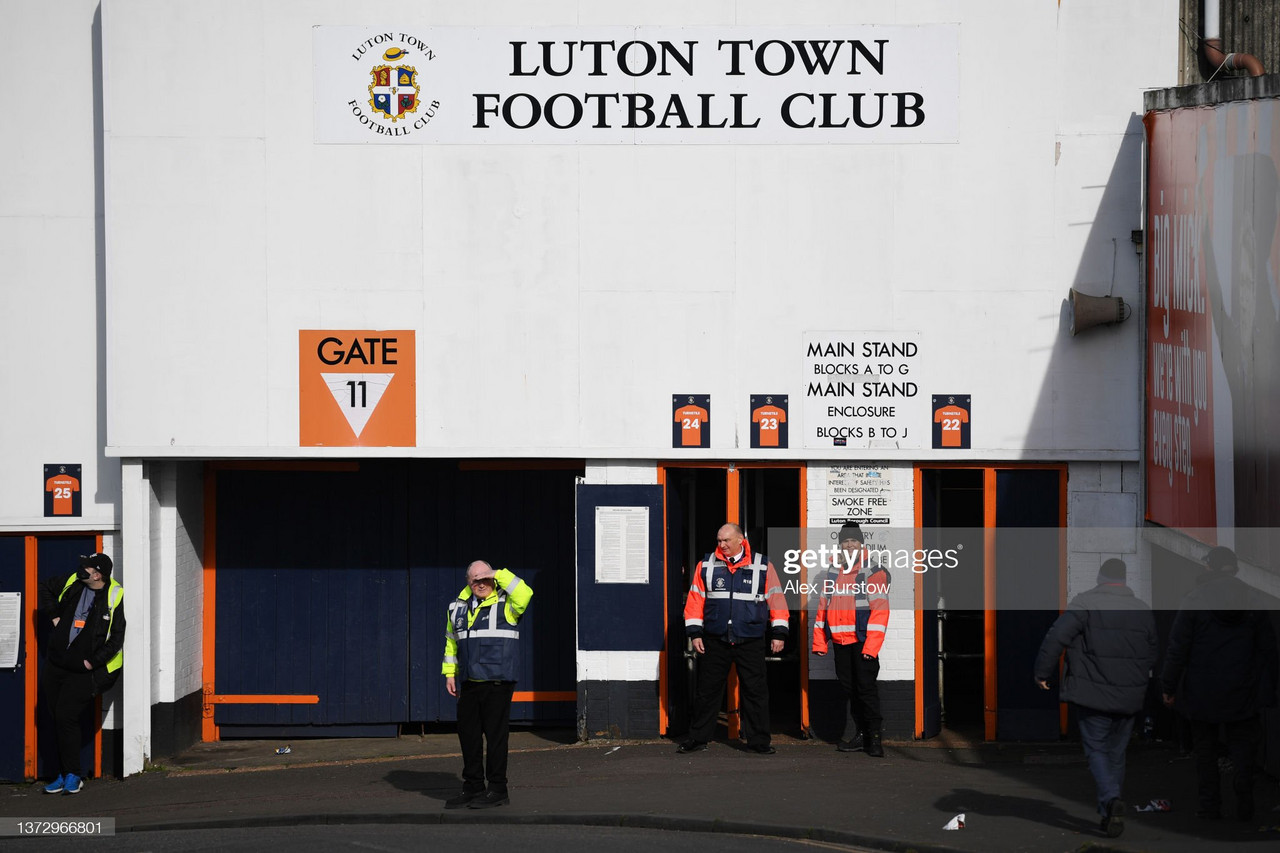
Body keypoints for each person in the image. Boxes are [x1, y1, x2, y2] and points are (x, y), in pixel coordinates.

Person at [1033, 558, 1157, 838]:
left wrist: (1042, 672)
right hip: (1130, 695)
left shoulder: (1084, 603)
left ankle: (1111, 799)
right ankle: (1107, 813)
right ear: (1125, 581)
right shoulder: (1141, 609)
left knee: (1097, 750)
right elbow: (1152, 652)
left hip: (1093, 694)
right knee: (1117, 753)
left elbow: (1056, 637)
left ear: (1100, 578)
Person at [1160, 546, 1278, 822]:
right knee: (1244, 748)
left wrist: (1168, 686)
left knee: (1206, 752)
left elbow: (1178, 648)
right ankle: (1244, 797)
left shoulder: (1194, 599)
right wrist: (1268, 687)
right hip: (1244, 690)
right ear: (1234, 569)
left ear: (1210, 568)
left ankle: (1210, 806)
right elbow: (1268, 650)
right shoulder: (1253, 599)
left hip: (1203, 690)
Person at [679, 523, 789, 754]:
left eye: (726, 540)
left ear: (741, 540)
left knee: (755, 692)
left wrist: (779, 633)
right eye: (719, 540)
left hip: (750, 638)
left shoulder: (762, 565)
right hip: (715, 638)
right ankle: (697, 739)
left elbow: (777, 600)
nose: (722, 545)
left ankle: (759, 742)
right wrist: (695, 633)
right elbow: (695, 602)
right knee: (707, 692)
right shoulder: (706, 565)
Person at [441, 560, 532, 809]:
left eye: (485, 578)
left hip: (497, 681)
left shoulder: (508, 605)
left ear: (492, 578)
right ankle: (473, 787)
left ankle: (498, 789)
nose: (480, 583)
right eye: (475, 579)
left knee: (495, 738)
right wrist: (450, 673)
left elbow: (525, 592)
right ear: (468, 582)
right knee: (468, 736)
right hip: (469, 681)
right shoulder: (457, 608)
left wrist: (497, 573)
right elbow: (451, 642)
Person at [39, 552, 125, 795]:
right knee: (54, 717)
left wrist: (92, 663)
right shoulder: (74, 583)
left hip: (82, 672)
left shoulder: (114, 595)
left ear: (97, 575)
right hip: (56, 665)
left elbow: (116, 638)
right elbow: (45, 586)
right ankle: (60, 773)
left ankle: (73, 775)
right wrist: (54, 614)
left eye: (87, 567)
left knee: (66, 716)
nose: (81, 568)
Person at [812, 522, 891, 757]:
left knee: (866, 690)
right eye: (845, 541)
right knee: (851, 690)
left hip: (862, 642)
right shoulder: (832, 572)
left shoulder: (872, 571)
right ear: (840, 545)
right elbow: (823, 609)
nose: (849, 545)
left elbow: (881, 611)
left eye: (853, 541)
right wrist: (819, 642)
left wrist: (872, 646)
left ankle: (875, 739)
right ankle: (861, 735)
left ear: (861, 544)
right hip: (840, 642)